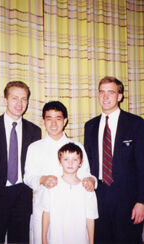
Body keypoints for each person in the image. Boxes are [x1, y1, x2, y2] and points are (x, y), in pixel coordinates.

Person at [84, 76, 144, 243]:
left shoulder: (137, 124)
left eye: (111, 92)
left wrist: (142, 201)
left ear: (120, 96)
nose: (106, 97)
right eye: (102, 92)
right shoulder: (90, 126)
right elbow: (88, 163)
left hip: (128, 198)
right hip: (99, 196)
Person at [0, 81, 41, 243]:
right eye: (14, 98)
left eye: (24, 99)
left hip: (22, 198)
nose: (19, 103)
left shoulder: (34, 131)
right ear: (5, 100)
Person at [24, 101, 96, 244]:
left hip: (73, 211)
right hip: (44, 209)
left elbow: (86, 174)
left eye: (58, 118)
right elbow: (28, 177)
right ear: (43, 121)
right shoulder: (35, 147)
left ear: (65, 121)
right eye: (49, 119)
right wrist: (42, 179)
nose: (53, 123)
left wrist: (91, 181)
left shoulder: (76, 147)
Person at [42, 142, 98, 244]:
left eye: (75, 160)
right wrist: (43, 240)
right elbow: (46, 214)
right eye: (66, 159)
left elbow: (90, 219)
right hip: (56, 239)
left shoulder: (87, 189)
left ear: (81, 162)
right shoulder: (52, 186)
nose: (70, 163)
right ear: (60, 161)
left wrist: (91, 242)